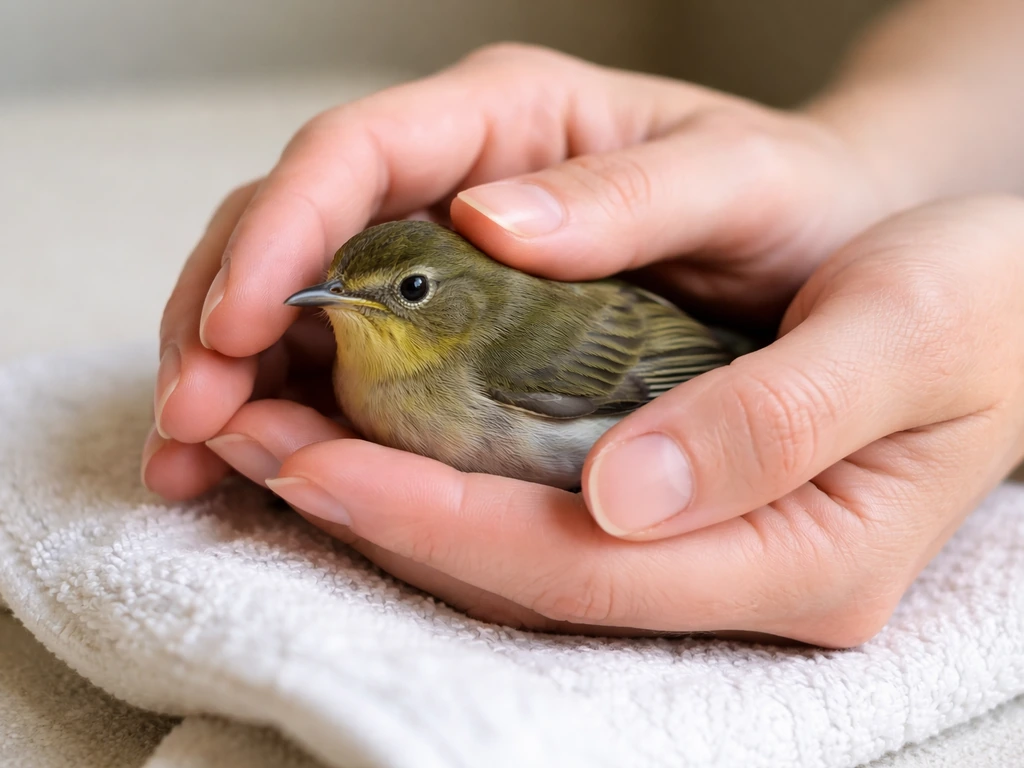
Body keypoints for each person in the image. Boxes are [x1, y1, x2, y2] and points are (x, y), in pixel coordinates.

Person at [142, 0, 1024, 647]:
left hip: (685, 351)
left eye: (407, 290)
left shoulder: (506, 364)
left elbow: (677, 356)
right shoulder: (355, 373)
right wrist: (863, 165)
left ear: (461, 301)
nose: (345, 303)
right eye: (337, 289)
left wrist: (759, 377)